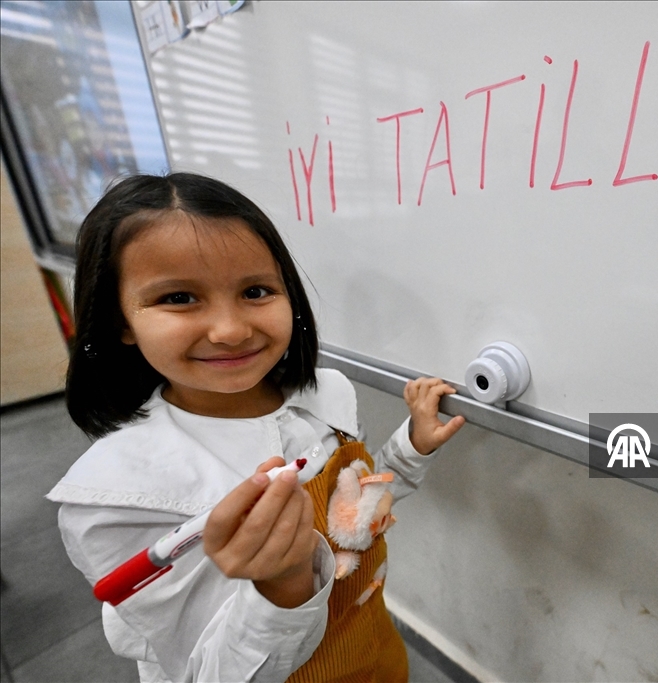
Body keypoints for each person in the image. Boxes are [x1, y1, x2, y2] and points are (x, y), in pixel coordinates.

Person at [47, 173, 465, 682]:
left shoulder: (326, 393)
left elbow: (354, 517)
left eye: (255, 291)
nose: (231, 330)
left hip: (376, 658)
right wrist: (280, 586)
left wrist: (412, 448)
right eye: (178, 298)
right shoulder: (117, 494)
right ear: (120, 321)